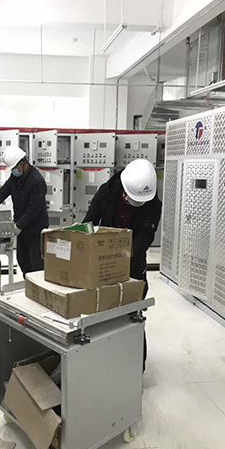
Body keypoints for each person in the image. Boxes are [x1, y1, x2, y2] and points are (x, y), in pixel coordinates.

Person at [84, 159, 161, 371]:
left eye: (140, 202)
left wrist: (124, 260)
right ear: (124, 190)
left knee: (132, 317)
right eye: (132, 200)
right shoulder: (106, 192)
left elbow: (145, 237)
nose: (137, 205)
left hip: (133, 267)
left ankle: (135, 369)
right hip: (104, 266)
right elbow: (89, 222)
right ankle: (105, 365)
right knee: (102, 317)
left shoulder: (153, 203)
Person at [0, 146, 49, 275]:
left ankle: (36, 285)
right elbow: (5, 190)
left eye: (14, 168)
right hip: (21, 226)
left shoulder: (37, 181)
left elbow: (33, 208)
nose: (14, 171)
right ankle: (27, 282)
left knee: (36, 263)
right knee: (22, 259)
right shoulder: (16, 177)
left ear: (23, 163)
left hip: (36, 229)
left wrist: (19, 225)